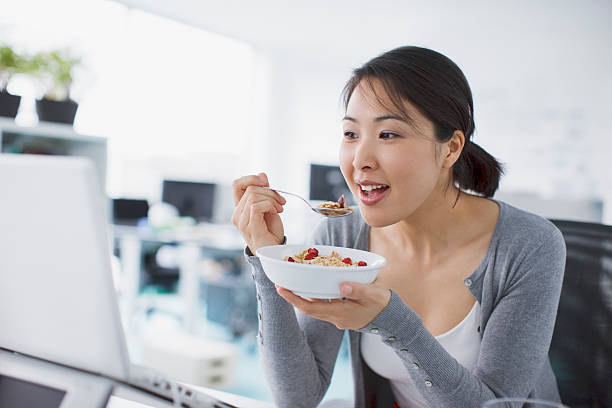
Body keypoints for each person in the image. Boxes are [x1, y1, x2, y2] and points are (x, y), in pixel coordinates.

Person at [231, 46, 566, 408]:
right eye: (350, 134)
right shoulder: (343, 238)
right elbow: (297, 397)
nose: (360, 159)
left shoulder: (529, 245)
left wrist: (394, 323)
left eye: (388, 134)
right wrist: (269, 257)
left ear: (451, 148)